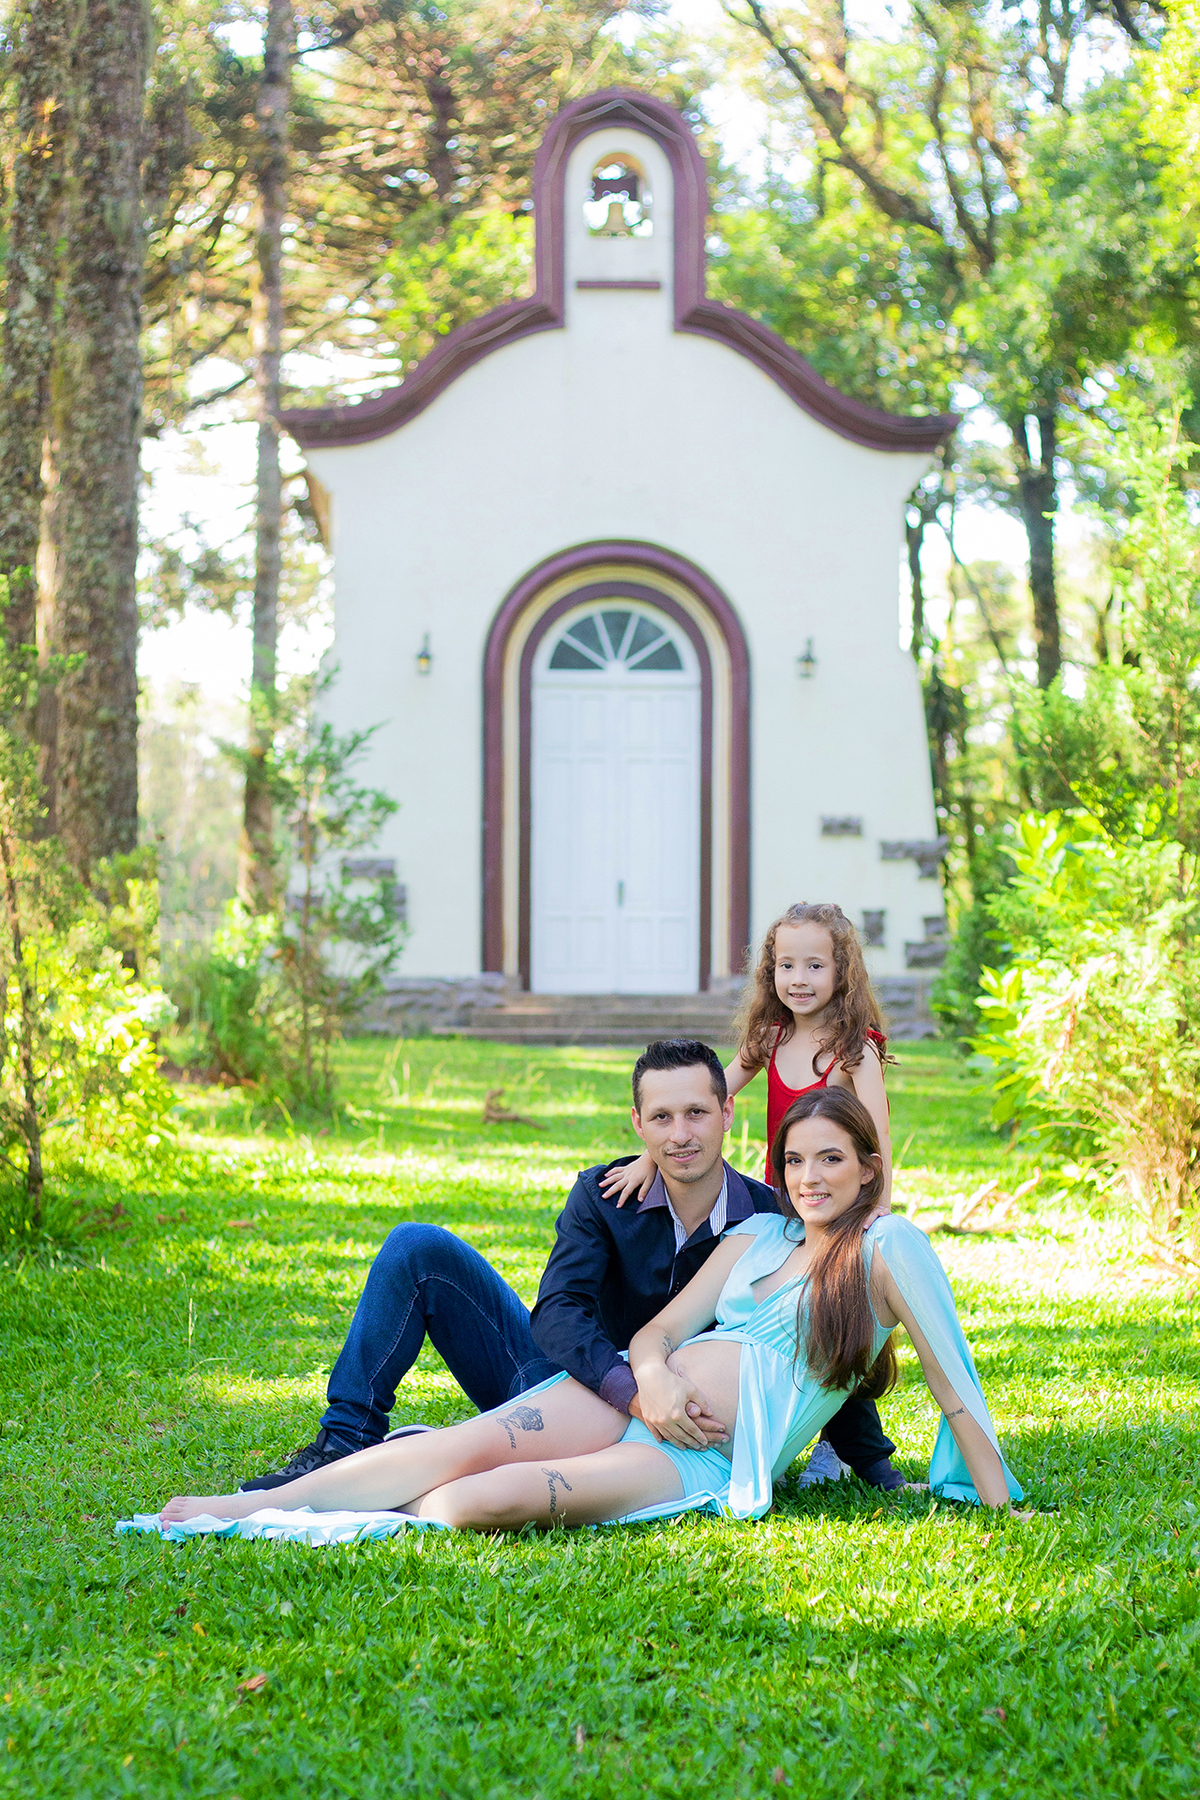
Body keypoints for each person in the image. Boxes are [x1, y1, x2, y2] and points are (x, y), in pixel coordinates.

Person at [158, 1088, 1023, 1531]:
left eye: (830, 1160)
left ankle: (398, 1473)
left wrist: (998, 1507)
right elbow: (659, 1332)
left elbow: (953, 1384)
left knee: (472, 1504)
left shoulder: (886, 1248)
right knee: (460, 1449)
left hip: (698, 1459)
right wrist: (650, 1379)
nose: (809, 1178)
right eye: (795, 1161)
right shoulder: (760, 1233)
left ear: (868, 1168)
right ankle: (244, 1509)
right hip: (628, 1400)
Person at [236, 1038, 902, 1496]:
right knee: (417, 1247)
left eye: (697, 1113)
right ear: (638, 1123)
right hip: (564, 1387)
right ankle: (346, 1441)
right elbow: (557, 1314)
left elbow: (822, 1329)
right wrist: (630, 1388)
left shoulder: (772, 1221)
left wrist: (874, 1465)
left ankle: (442, 1452)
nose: (680, 1135)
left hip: (674, 1435)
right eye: (662, 1118)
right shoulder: (604, 1195)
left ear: (727, 1112)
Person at [604, 902, 894, 1203]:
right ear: (771, 970)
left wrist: (880, 1207)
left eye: (815, 966)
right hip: (781, 1198)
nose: (799, 979)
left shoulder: (856, 1051)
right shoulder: (769, 1040)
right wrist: (648, 1160)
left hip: (838, 1198)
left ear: (842, 972)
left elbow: (880, 1136)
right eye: (787, 965)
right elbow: (705, 1097)